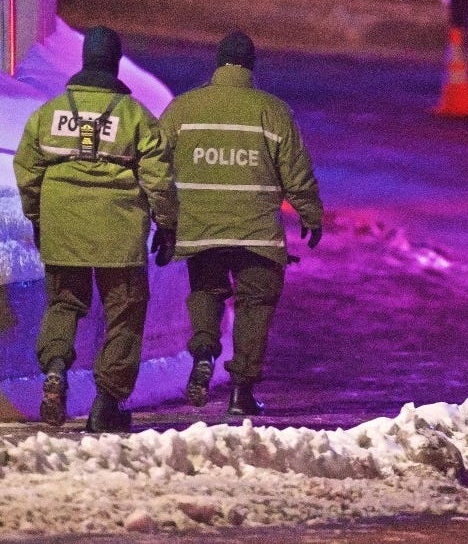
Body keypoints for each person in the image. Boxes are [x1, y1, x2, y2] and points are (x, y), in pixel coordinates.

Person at [13, 25, 178, 432]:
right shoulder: (137, 116)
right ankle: (107, 404)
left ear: (84, 59)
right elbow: (158, 179)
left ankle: (54, 368)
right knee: (125, 311)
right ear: (115, 63)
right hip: (119, 233)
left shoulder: (48, 114)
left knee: (64, 304)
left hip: (63, 228)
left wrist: (38, 217)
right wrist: (167, 225)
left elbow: (27, 170)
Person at [159, 30, 323, 416]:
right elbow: (296, 171)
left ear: (217, 64)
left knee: (206, 290)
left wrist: (164, 218)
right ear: (251, 66)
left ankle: (203, 353)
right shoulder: (273, 111)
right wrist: (310, 213)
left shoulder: (183, 109)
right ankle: (241, 392)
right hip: (257, 232)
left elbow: (156, 164)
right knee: (255, 303)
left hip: (201, 227)